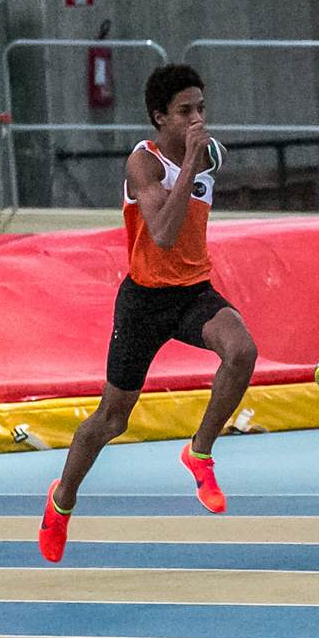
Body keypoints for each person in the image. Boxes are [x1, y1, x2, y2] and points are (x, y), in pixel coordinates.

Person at [38, 65, 259, 562]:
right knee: (111, 419)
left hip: (193, 293)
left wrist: (201, 158)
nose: (197, 119)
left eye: (201, 108)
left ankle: (199, 452)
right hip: (144, 301)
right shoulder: (143, 162)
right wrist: (192, 165)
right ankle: (62, 501)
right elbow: (161, 233)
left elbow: (207, 172)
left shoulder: (208, 153)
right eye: (184, 112)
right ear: (160, 118)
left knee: (242, 351)